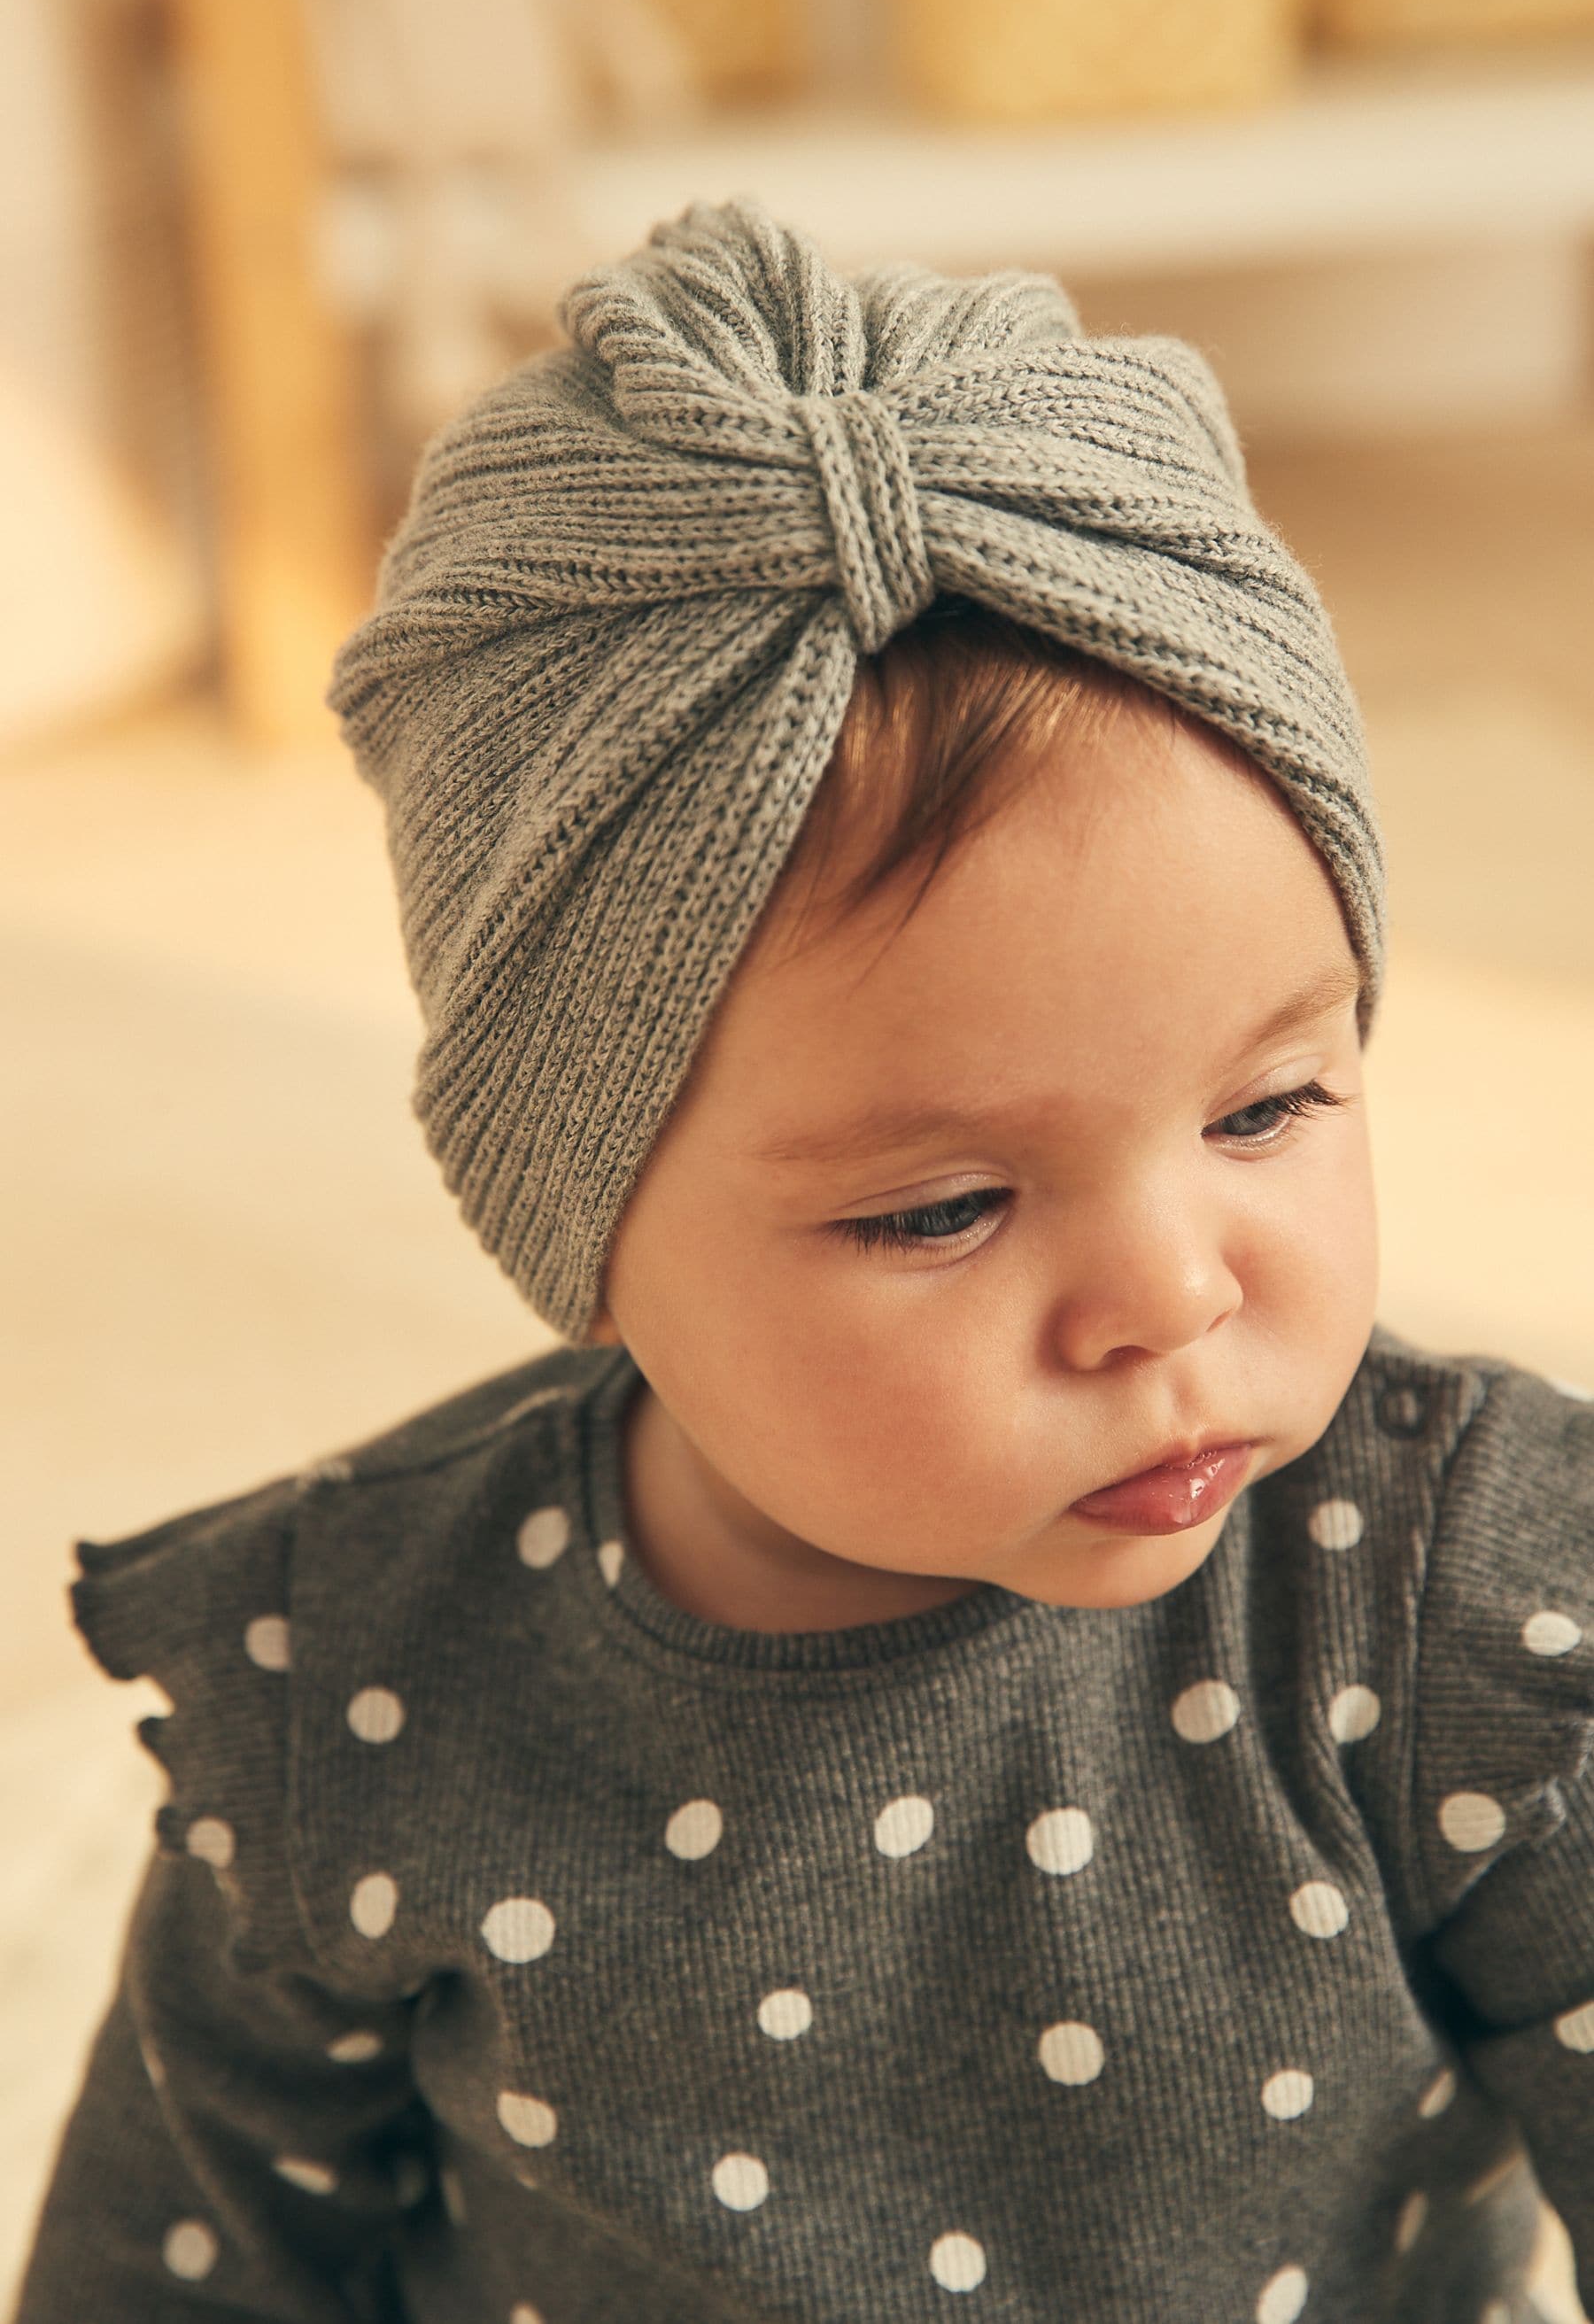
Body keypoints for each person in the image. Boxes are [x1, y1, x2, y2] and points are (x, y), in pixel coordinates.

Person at [14, 198, 1591, 2324]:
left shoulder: (1450, 1599)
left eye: (1268, 1108)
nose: (1174, 1296)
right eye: (942, 1209)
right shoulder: (361, 1694)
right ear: (566, 1221)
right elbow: (181, 2274)